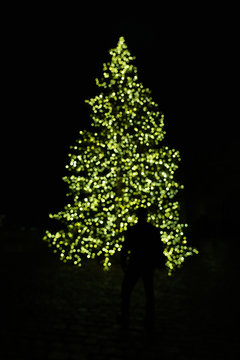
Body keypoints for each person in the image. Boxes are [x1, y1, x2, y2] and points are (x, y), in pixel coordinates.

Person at [120, 207, 165, 330]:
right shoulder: (152, 230)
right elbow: (159, 247)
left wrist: (123, 261)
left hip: (135, 262)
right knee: (148, 290)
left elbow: (125, 247)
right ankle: (149, 317)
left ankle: (125, 315)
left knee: (127, 290)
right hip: (147, 263)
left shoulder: (133, 230)